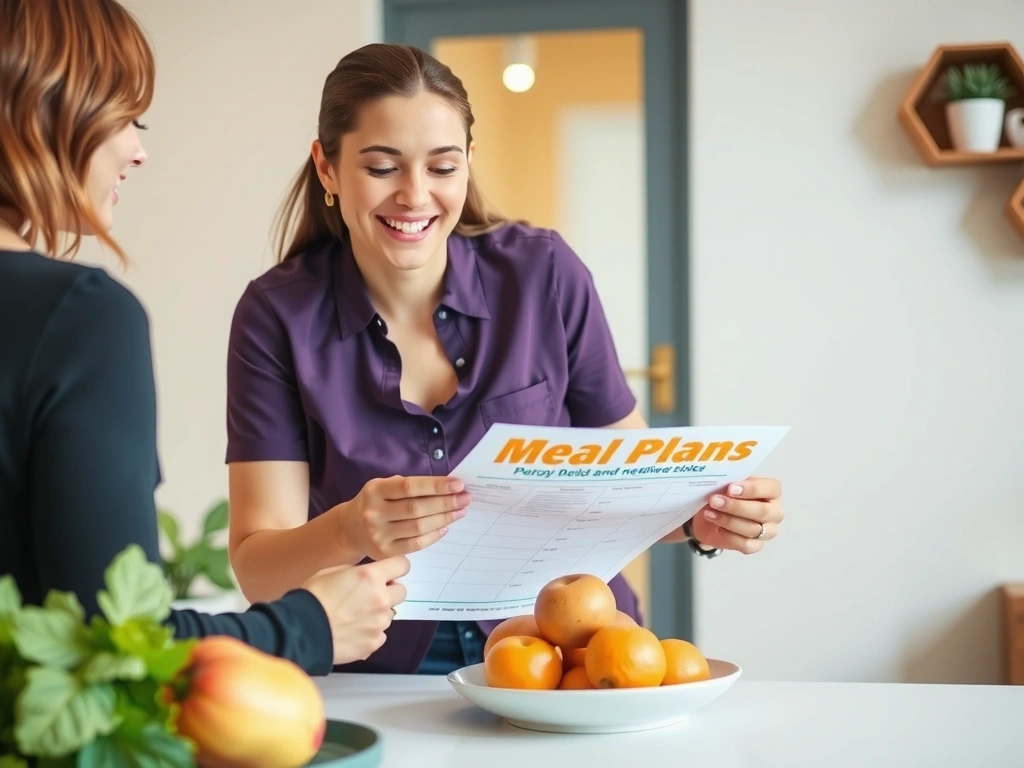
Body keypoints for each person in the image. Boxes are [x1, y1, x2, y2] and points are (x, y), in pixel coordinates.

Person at [224, 43, 786, 676]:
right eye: (382, 167)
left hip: (573, 649)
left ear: (467, 164)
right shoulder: (275, 315)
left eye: (442, 166)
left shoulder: (545, 273)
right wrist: (350, 529)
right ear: (325, 168)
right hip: (372, 663)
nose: (415, 195)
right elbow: (258, 571)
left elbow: (629, 483)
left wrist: (699, 517)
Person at [0, 0, 409, 678]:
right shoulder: (81, 318)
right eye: (125, 117)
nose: (138, 149)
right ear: (45, 112)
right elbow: (114, 640)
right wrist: (308, 625)